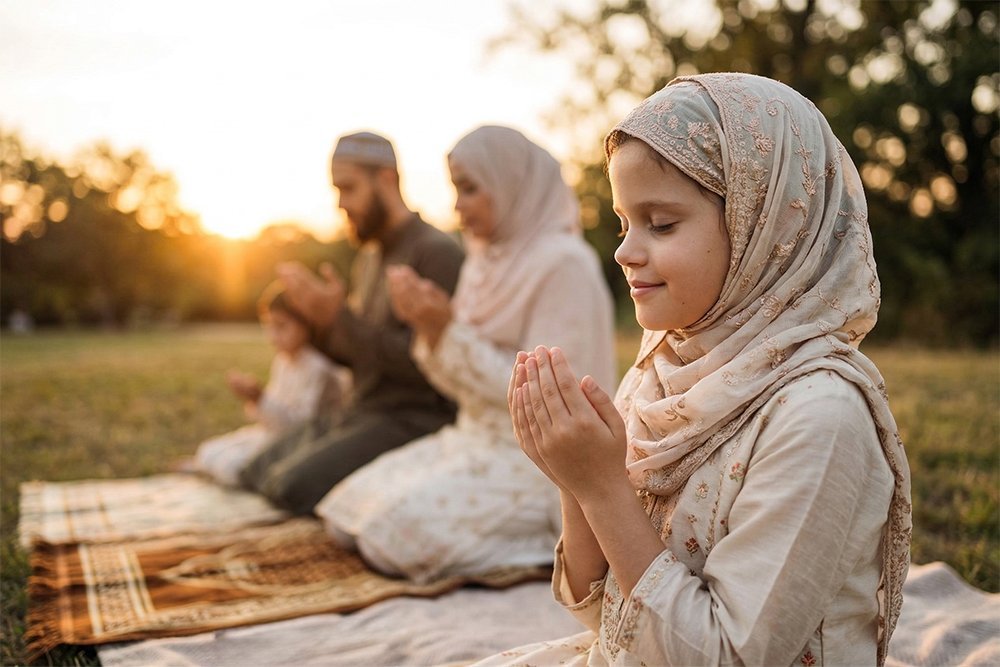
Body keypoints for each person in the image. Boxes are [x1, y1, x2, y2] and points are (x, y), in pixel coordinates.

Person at [480, 74, 912, 666]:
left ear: (763, 228)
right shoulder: (660, 372)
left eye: (661, 223)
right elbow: (599, 613)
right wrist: (575, 482)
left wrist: (604, 488)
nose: (625, 252)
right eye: (623, 223)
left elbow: (727, 656)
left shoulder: (820, 416)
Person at [315, 125, 617, 583]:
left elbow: (548, 399)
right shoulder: (483, 261)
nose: (457, 207)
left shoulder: (564, 265)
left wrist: (446, 331)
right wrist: (432, 332)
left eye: (470, 189)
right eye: (456, 190)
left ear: (510, 182)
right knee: (344, 511)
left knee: (390, 538)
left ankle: (553, 545)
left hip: (537, 459)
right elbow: (454, 384)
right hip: (470, 438)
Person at [239, 131, 465, 515]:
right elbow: (362, 355)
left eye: (348, 188)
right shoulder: (370, 258)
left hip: (412, 418)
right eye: (336, 191)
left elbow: (427, 364)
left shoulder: (436, 252)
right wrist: (324, 327)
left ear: (386, 179)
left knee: (291, 487)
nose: (341, 204)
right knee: (254, 471)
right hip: (360, 410)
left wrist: (339, 318)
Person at [192, 282, 347, 486]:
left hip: (302, 442)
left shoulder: (320, 367)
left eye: (282, 326)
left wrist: (260, 398)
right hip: (273, 434)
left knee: (232, 467)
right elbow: (272, 417)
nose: (274, 336)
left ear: (307, 323)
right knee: (208, 451)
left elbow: (301, 428)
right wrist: (255, 399)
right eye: (270, 327)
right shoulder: (283, 361)